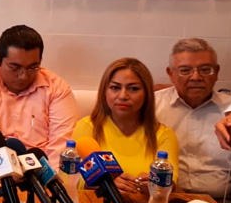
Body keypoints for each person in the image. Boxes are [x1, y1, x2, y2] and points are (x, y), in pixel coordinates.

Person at [0, 25, 78, 167]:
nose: (23, 76)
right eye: (15, 68)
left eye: (32, 68)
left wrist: (51, 179)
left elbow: (61, 145)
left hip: (41, 171)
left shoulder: (57, 88)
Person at [72, 58, 179, 195]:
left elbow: (172, 181)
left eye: (133, 89)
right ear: (104, 92)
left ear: (146, 94)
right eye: (115, 88)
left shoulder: (163, 134)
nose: (123, 96)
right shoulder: (86, 127)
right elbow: (70, 179)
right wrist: (101, 184)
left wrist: (157, 186)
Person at [155, 38, 231, 203]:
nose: (196, 77)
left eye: (205, 70)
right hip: (165, 198)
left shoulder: (230, 109)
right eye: (185, 70)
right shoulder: (151, 107)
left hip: (221, 202)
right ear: (170, 73)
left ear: (217, 72)